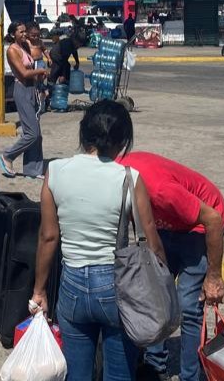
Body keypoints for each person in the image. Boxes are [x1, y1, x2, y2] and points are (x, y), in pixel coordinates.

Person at [30, 100, 166, 381]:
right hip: (115, 286)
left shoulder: (55, 171)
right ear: (121, 140)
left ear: (85, 133)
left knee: (76, 373)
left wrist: (39, 291)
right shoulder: (129, 178)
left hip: (72, 285)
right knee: (119, 373)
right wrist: (162, 285)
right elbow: (150, 237)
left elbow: (48, 236)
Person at [118, 152, 224, 381]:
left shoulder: (161, 191)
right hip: (167, 225)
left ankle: (190, 375)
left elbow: (213, 220)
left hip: (200, 227)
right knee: (154, 296)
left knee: (188, 306)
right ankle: (155, 367)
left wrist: (214, 276)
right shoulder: (114, 177)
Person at [0, 21, 48, 179]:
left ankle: (33, 170)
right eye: (21, 32)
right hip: (22, 90)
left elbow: (38, 49)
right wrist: (40, 70)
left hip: (33, 89)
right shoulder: (12, 50)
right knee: (31, 133)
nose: (24, 34)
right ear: (13, 34)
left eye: (25, 31)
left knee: (37, 134)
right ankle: (7, 156)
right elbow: (24, 73)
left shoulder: (24, 46)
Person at [26, 22, 52, 113]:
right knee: (34, 81)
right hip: (31, 63)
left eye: (37, 35)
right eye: (33, 35)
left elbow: (44, 50)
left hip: (40, 61)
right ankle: (43, 89)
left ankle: (43, 89)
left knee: (41, 77)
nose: (35, 37)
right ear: (28, 34)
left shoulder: (40, 42)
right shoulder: (26, 42)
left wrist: (48, 58)